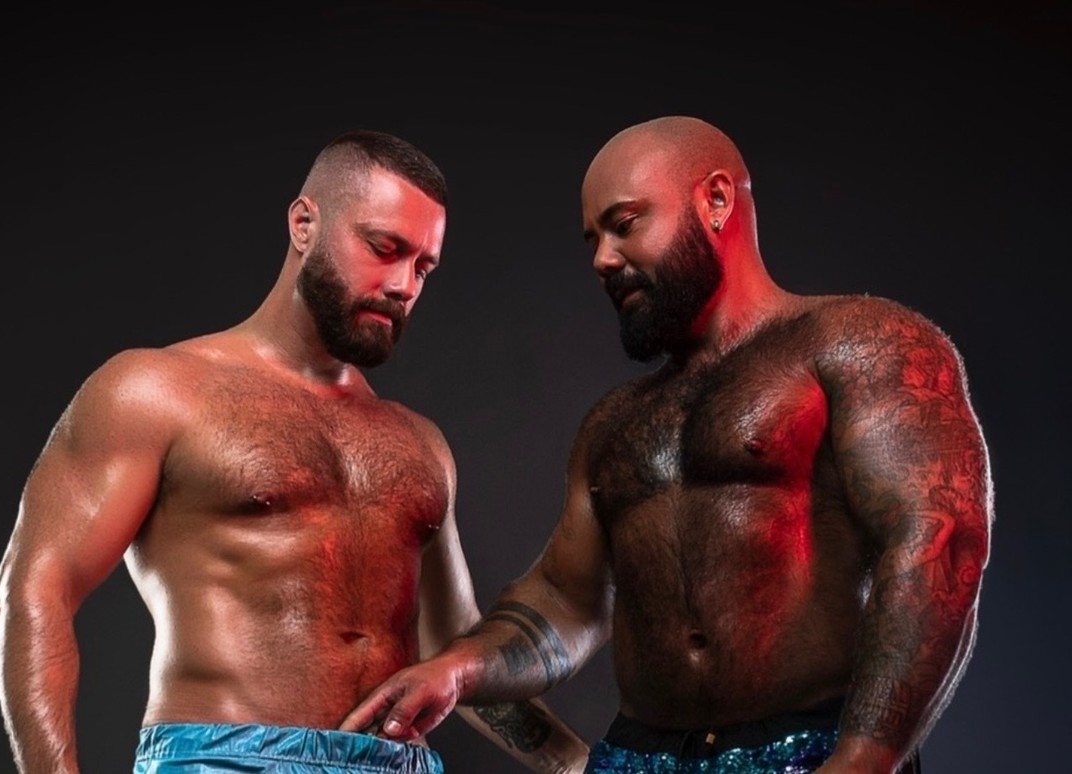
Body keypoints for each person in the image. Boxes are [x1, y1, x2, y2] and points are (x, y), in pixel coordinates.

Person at [342, 116, 994, 773]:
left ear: (716, 200)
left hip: (812, 751)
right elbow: (566, 600)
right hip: (637, 758)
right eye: (593, 239)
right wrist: (456, 669)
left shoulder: (856, 343)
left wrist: (864, 758)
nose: (603, 259)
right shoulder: (615, 422)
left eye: (624, 224)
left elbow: (940, 538)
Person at [0, 130, 589, 774]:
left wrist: (573, 762)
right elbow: (34, 590)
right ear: (305, 223)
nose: (403, 284)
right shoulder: (156, 391)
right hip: (226, 760)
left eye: (423, 267)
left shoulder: (420, 443)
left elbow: (454, 650)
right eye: (384, 248)